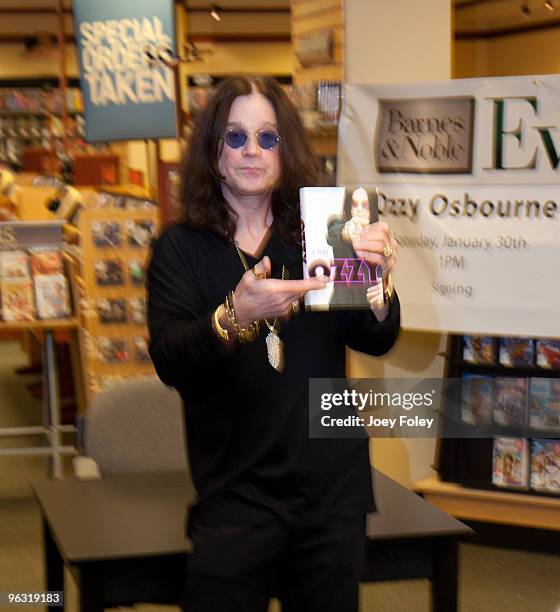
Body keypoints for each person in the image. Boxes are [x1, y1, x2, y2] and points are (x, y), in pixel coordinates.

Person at [147, 75, 400, 612]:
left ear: (287, 147)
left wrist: (379, 283)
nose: (252, 152)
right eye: (235, 137)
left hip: (331, 498)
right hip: (233, 498)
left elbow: (375, 338)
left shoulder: (324, 230)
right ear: (212, 148)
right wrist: (234, 316)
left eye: (268, 137)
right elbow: (171, 360)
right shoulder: (180, 247)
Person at [326, 186, 386, 310]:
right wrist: (346, 231)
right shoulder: (337, 223)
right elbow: (333, 231)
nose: (359, 210)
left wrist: (385, 290)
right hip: (340, 311)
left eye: (365, 205)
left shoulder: (381, 237)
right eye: (354, 204)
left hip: (370, 312)